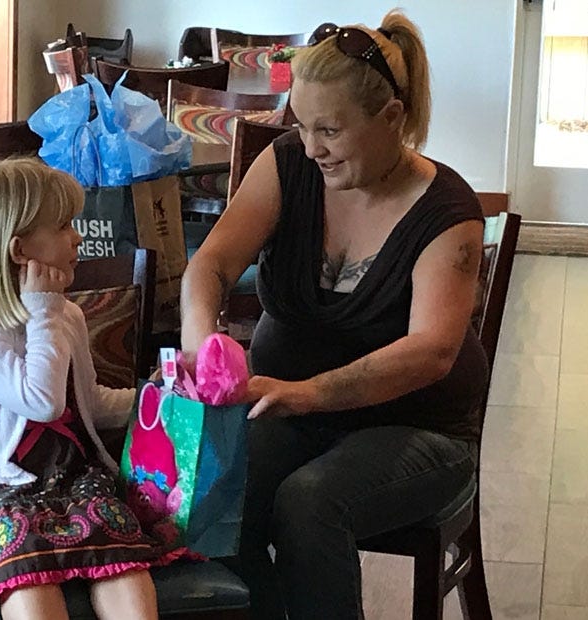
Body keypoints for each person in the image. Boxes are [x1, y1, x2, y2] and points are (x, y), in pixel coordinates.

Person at [180, 10, 487, 620]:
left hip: (418, 431)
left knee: (309, 502)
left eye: (330, 130)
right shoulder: (289, 162)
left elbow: (432, 351)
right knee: (211, 492)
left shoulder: (449, 213)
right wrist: (199, 347)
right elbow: (209, 265)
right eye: (301, 125)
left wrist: (306, 393)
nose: (311, 145)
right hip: (288, 409)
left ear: (391, 119)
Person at [0, 159, 187, 620]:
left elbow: (86, 403)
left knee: (122, 567)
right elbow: (41, 401)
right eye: (65, 226)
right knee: (26, 572)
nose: (78, 238)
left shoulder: (66, 316)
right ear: (18, 248)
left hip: (72, 480)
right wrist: (44, 310)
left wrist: (160, 398)